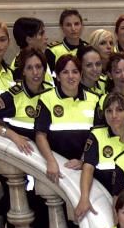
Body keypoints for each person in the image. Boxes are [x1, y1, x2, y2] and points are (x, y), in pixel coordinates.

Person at [0, 45, 48, 154]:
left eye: (38, 67)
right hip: (29, 157)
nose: (35, 72)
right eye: (29, 68)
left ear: (44, 69)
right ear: (23, 71)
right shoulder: (13, 96)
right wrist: (10, 134)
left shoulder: (52, 91)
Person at [35, 54, 99, 185]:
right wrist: (51, 161)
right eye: (65, 72)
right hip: (57, 167)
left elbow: (98, 137)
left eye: (75, 72)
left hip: (86, 168)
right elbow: (40, 135)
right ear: (58, 76)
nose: (71, 76)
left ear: (81, 74)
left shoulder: (95, 99)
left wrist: (84, 162)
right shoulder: (47, 98)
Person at [74, 91, 124, 220]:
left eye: (119, 110)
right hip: (104, 199)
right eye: (109, 111)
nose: (114, 115)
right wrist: (84, 199)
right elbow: (88, 168)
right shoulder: (97, 135)